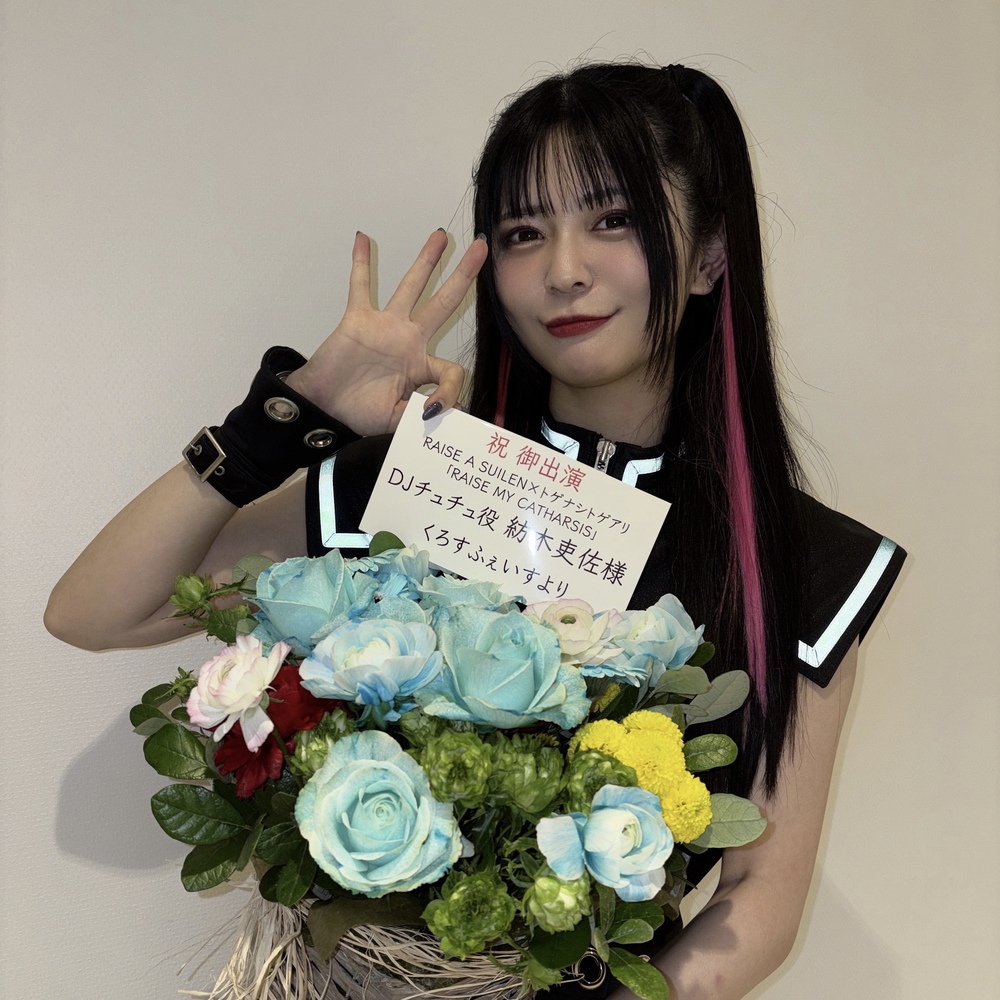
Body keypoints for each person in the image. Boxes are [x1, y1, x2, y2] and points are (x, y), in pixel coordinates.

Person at [45, 62, 904, 999]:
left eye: (613, 220)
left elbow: (760, 899)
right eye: (526, 233)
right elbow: (93, 612)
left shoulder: (804, 563)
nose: (565, 269)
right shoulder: (420, 476)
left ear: (707, 256)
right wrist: (289, 417)